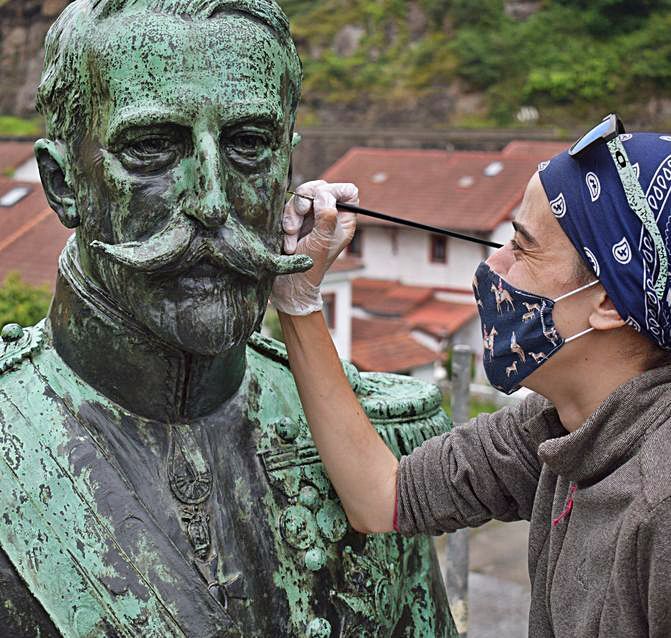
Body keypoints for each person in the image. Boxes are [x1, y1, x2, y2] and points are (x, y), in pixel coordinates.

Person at [0, 1, 458, 636]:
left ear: (288, 168)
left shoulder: (369, 440)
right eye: (152, 149)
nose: (212, 201)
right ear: (63, 182)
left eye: (249, 145)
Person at [272, 117, 671, 637]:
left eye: (523, 247)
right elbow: (384, 495)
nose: (495, 264)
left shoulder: (659, 503)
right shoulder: (558, 428)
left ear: (609, 302)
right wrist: (298, 301)